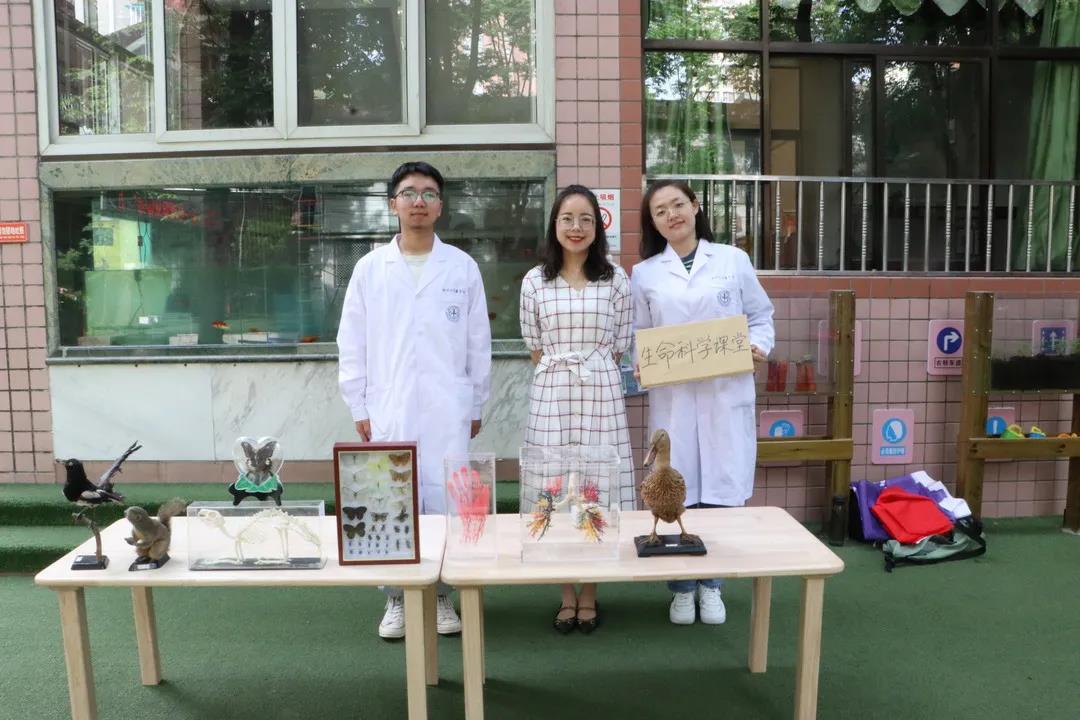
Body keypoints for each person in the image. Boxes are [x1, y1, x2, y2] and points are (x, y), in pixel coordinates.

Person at [337, 161, 492, 639]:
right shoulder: (370, 269)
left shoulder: (462, 268)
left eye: (428, 193)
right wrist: (359, 404)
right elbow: (352, 341)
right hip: (391, 405)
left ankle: (443, 593)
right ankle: (396, 596)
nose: (418, 201)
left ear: (441, 206)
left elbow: (478, 343)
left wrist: (475, 404)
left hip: (449, 407)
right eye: (408, 193)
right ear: (393, 205)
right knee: (390, 496)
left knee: (446, 497)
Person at [632, 179, 774, 626]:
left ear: (695, 206)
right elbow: (640, 335)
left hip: (724, 396)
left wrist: (758, 345)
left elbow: (760, 316)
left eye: (677, 204)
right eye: (660, 211)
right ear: (653, 223)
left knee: (721, 492)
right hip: (673, 402)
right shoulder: (645, 273)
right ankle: (680, 588)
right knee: (674, 491)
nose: (671, 215)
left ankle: (712, 586)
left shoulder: (733, 260)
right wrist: (642, 363)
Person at [519, 184, 635, 634]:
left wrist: (590, 365)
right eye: (567, 218)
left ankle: (590, 591)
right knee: (553, 481)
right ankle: (565, 591)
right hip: (552, 389)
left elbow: (620, 343)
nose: (576, 227)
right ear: (554, 224)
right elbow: (534, 345)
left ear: (598, 226)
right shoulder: (535, 280)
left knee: (597, 481)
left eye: (586, 218)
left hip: (600, 388)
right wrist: (565, 366)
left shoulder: (616, 278)